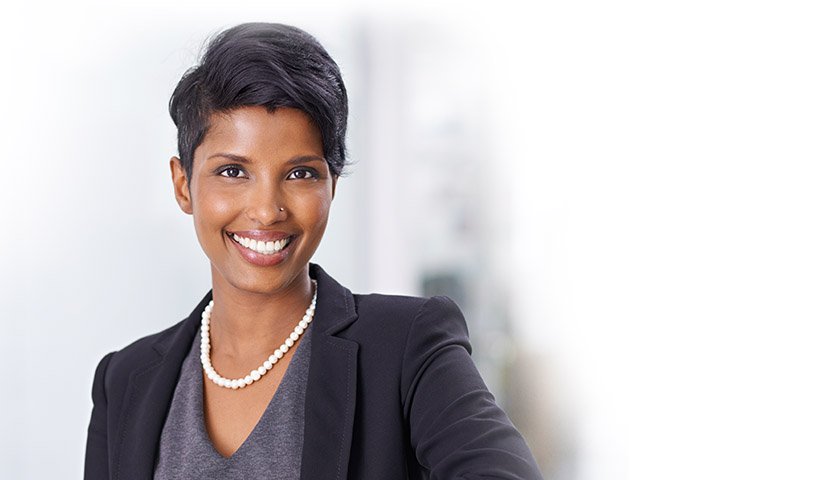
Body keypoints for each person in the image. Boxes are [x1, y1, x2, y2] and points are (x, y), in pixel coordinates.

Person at [83, 22, 543, 479]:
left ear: (331, 187)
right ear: (183, 185)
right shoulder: (124, 381)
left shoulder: (407, 348)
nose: (266, 210)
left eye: (300, 174)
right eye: (233, 172)